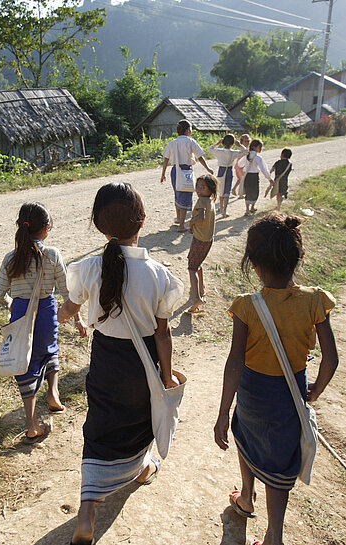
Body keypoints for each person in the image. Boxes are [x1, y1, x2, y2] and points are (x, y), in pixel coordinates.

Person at [57, 182, 184, 545]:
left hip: (105, 361)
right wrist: (165, 374)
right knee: (141, 421)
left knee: (100, 426)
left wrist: (66, 315)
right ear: (143, 221)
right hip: (141, 364)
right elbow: (163, 334)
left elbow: (70, 308)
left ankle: (87, 509)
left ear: (99, 224)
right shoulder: (160, 275)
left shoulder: (87, 269)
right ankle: (142, 468)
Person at [214, 213, 339, 545]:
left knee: (244, 436)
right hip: (290, 394)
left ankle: (245, 497)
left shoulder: (245, 306)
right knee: (280, 461)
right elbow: (331, 358)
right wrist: (316, 390)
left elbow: (235, 362)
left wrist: (223, 412)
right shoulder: (316, 300)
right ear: (299, 257)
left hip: (253, 395)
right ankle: (275, 535)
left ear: (253, 264)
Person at [0, 202, 86, 445]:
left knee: (26, 364)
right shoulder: (52, 255)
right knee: (50, 349)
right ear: (46, 229)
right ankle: (53, 394)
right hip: (46, 311)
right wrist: (78, 319)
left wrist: (10, 304)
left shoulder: (10, 259)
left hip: (20, 314)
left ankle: (32, 424)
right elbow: (68, 292)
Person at [160, 119, 214, 232]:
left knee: (178, 193)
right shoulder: (190, 141)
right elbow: (200, 156)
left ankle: (179, 218)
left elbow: (166, 159)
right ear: (188, 130)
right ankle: (181, 225)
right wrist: (208, 168)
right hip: (186, 171)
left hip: (175, 171)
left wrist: (163, 174)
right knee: (185, 196)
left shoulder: (172, 143)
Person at [186, 174, 217, 314]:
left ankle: (196, 298)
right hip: (208, 239)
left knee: (192, 268)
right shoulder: (210, 200)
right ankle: (201, 288)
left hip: (199, 240)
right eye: (198, 187)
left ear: (210, 189)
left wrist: (191, 222)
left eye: (203, 187)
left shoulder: (201, 202)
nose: (199, 190)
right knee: (198, 264)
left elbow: (201, 217)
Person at [207, 134, 247, 217]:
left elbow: (209, 149)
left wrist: (217, 143)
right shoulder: (233, 152)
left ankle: (221, 208)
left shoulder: (219, 151)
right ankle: (224, 210)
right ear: (233, 144)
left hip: (221, 171)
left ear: (223, 142)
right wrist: (239, 145)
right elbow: (246, 152)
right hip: (229, 171)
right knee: (227, 191)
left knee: (220, 191)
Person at [237, 139, 272, 216]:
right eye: (259, 147)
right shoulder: (258, 158)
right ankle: (252, 207)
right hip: (254, 176)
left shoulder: (246, 156)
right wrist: (269, 178)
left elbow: (239, 164)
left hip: (247, 176)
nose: (260, 149)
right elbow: (264, 169)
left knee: (248, 192)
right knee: (255, 192)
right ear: (254, 147)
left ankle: (247, 209)